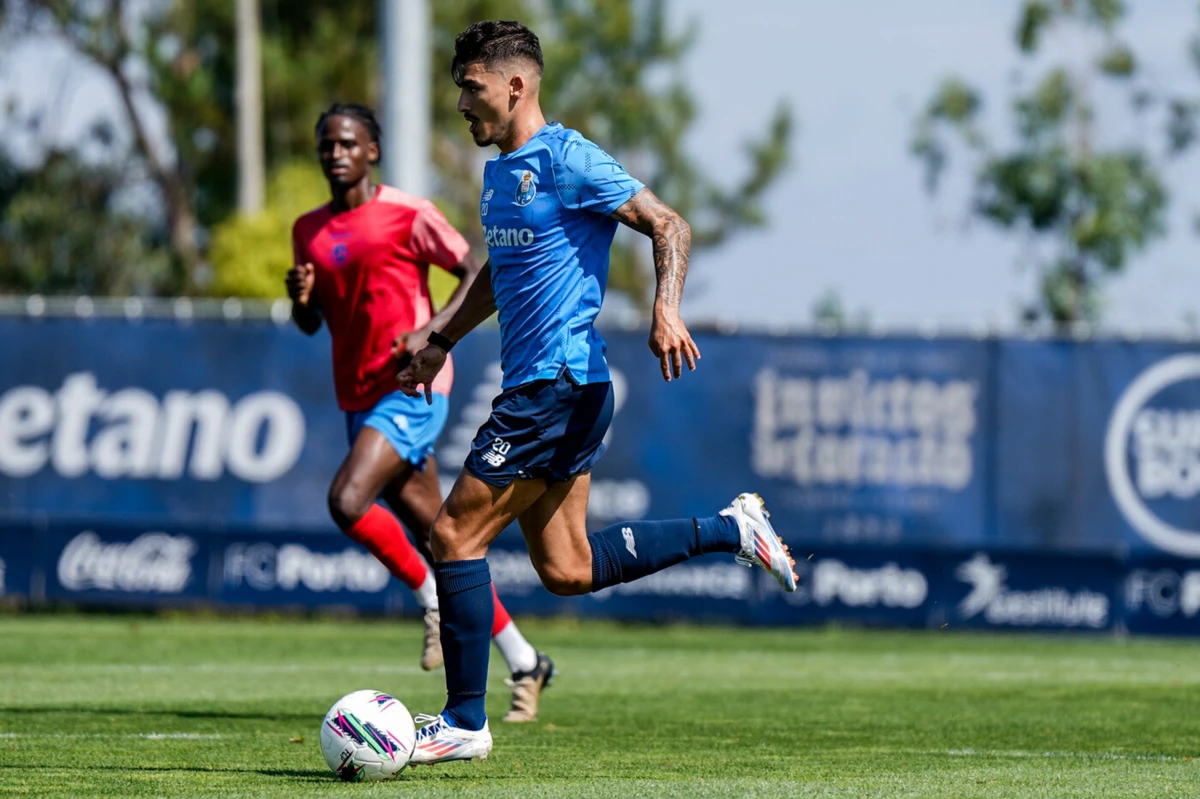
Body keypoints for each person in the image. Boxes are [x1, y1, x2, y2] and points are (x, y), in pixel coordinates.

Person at [396, 22, 798, 765]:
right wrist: (442, 337)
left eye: (471, 85)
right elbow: (499, 271)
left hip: (556, 386)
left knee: (453, 536)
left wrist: (667, 307)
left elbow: (666, 223)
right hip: (559, 390)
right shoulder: (499, 174)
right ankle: (734, 529)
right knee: (568, 569)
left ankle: (462, 721)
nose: (460, 102)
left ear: (516, 85)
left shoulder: (569, 156)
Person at [287, 102, 555, 723]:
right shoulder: (309, 230)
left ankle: (430, 599)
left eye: (348, 142)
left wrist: (432, 332)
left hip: (411, 389)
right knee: (447, 540)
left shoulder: (409, 214)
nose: (336, 152)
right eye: (326, 144)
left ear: (371, 151)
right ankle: (524, 659)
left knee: (347, 501)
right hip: (356, 397)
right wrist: (300, 301)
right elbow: (312, 322)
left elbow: (472, 271)